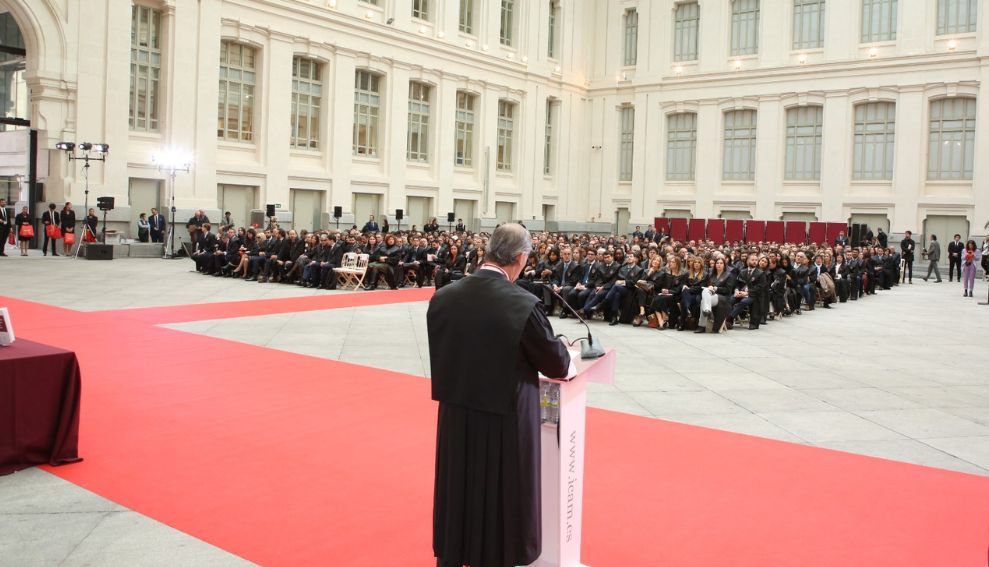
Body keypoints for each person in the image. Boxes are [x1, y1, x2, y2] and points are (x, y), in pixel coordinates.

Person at [428, 223, 571, 567]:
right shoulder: (522, 304)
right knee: (501, 495)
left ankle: (454, 554)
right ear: (521, 258)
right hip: (505, 418)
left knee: (459, 488)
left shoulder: (444, 296)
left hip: (457, 413)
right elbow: (557, 364)